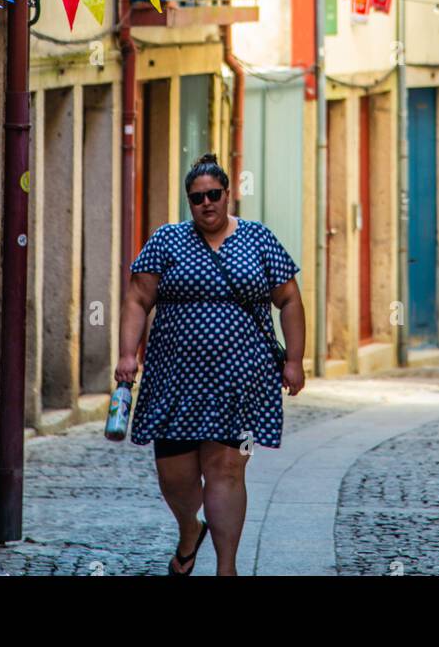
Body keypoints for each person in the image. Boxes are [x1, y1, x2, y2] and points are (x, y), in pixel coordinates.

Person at [115, 152, 306, 577]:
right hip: (173, 380)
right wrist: (128, 353)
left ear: (227, 195)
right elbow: (138, 299)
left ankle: (226, 568)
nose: (206, 203)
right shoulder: (167, 240)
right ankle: (189, 529)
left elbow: (289, 299)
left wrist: (294, 360)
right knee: (175, 475)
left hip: (241, 381)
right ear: (189, 201)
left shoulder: (258, 239)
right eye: (197, 197)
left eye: (213, 194)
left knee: (226, 469)